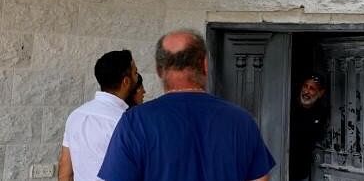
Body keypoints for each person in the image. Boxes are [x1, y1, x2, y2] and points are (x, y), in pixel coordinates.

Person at [98, 29, 275, 181]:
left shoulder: (135, 122)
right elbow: (261, 178)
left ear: (159, 70)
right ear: (205, 65)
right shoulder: (241, 120)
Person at [58, 50, 138, 181]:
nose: (137, 78)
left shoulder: (75, 115)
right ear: (125, 82)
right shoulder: (127, 122)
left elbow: (65, 173)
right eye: (135, 73)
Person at [289, 73, 328, 181]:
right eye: (305, 86)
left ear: (320, 93)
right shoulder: (288, 105)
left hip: (303, 171)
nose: (306, 91)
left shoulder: (322, 113)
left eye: (312, 89)